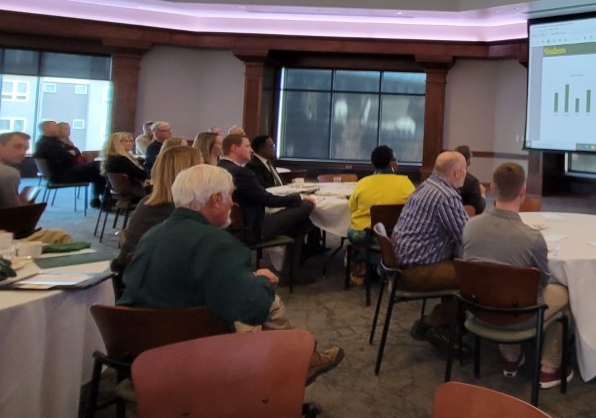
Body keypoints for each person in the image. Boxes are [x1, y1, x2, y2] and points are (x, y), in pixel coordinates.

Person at [119, 165, 342, 382]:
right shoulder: (218, 244)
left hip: (141, 347)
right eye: (230, 196)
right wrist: (263, 281)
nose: (233, 204)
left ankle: (296, 362)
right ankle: (290, 367)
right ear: (217, 199)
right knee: (268, 301)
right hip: (193, 350)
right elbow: (252, 307)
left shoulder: (151, 235)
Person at [462, 162, 570, 387]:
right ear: (523, 190)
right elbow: (541, 283)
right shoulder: (533, 238)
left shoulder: (470, 226)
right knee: (566, 294)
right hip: (518, 318)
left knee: (502, 288)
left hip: (477, 310)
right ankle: (549, 368)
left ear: (492, 188)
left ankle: (511, 358)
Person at [392, 151, 469, 352]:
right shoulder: (446, 196)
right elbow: (467, 236)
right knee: (472, 277)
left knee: (459, 267)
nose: (466, 173)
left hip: (402, 264)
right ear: (457, 172)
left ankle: (440, 322)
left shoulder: (427, 186)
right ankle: (438, 325)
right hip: (415, 271)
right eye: (465, 169)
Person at [113, 145, 204, 274]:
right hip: (149, 275)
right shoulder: (176, 209)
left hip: (135, 271)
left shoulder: (149, 201)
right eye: (201, 166)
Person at [218, 133, 313, 246]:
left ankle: (298, 251)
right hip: (253, 229)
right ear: (234, 148)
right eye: (247, 146)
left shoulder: (220, 167)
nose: (251, 150)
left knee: (301, 222)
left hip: (231, 226)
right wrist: (300, 197)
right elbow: (268, 200)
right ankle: (301, 252)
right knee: (306, 205)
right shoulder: (241, 173)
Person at [345, 145, 414, 283]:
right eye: (396, 160)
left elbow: (352, 207)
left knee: (354, 233)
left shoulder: (363, 183)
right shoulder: (406, 183)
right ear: (391, 163)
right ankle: (385, 265)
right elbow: (413, 208)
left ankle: (362, 262)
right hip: (394, 234)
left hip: (365, 234)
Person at [34, 119, 106, 207]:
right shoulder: (46, 144)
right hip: (61, 174)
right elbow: (65, 156)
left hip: (66, 170)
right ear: (47, 129)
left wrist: (71, 153)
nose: (57, 128)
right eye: (55, 126)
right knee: (99, 165)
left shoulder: (52, 142)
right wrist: (70, 153)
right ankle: (106, 200)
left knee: (100, 170)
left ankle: (98, 199)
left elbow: (75, 151)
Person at [100, 130, 148, 201]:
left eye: (132, 141)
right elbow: (143, 175)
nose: (132, 143)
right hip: (133, 192)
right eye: (127, 141)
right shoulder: (121, 160)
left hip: (120, 192)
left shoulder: (111, 157)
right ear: (117, 144)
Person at [454, 144, 486, 215]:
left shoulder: (444, 177)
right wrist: (482, 194)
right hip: (465, 218)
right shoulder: (472, 182)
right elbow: (478, 209)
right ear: (468, 162)